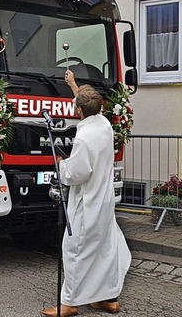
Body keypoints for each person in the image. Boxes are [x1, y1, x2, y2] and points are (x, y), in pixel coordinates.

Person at [41, 86, 131, 317]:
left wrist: (62, 164)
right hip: (104, 198)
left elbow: (77, 174)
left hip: (87, 200)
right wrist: (74, 86)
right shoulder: (104, 125)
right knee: (105, 248)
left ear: (79, 110)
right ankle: (108, 299)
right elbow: (90, 105)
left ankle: (69, 303)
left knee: (74, 249)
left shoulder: (84, 136)